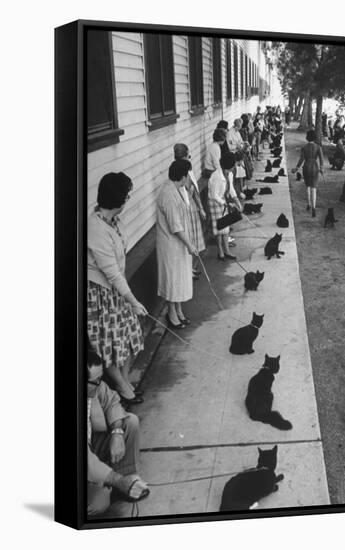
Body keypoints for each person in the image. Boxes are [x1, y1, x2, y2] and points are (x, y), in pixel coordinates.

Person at [88, 172, 147, 406]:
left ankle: (124, 382)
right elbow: (110, 272)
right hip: (102, 295)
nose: (129, 198)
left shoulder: (114, 221)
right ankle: (123, 387)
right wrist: (133, 300)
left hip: (117, 290)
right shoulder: (95, 229)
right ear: (118, 199)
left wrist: (127, 297)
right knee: (109, 344)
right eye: (127, 194)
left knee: (131, 337)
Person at [87, 349, 149, 519]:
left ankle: (125, 479)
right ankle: (117, 483)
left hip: (92, 444)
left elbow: (113, 401)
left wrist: (116, 432)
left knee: (130, 421)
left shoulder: (95, 386)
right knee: (98, 504)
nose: (100, 384)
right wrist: (116, 480)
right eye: (96, 381)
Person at [156, 159, 198, 329]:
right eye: (188, 174)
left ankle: (179, 311)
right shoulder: (168, 194)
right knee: (172, 280)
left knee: (180, 279)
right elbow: (175, 226)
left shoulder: (177, 189)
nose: (189, 177)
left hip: (178, 244)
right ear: (182, 176)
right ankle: (171, 315)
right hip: (171, 245)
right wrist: (190, 245)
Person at [174, 143, 206, 280]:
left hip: (192, 208)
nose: (189, 158)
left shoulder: (190, 170)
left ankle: (192, 267)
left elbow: (195, 193)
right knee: (188, 240)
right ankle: (188, 270)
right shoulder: (176, 173)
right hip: (184, 211)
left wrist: (201, 208)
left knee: (196, 241)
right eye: (188, 156)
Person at [208, 152, 242, 261]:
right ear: (228, 165)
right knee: (219, 227)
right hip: (215, 202)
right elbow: (214, 195)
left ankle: (226, 250)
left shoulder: (229, 174)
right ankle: (220, 251)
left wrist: (236, 201)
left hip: (222, 200)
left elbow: (230, 188)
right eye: (233, 165)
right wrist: (226, 204)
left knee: (226, 227)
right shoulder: (216, 176)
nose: (234, 167)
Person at [292, 129, 324, 218]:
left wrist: (297, 168)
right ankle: (314, 207)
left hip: (306, 167)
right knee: (314, 188)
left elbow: (301, 159)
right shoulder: (318, 147)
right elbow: (321, 159)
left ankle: (309, 204)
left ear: (307, 137)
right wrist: (321, 168)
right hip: (314, 167)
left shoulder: (305, 147)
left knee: (308, 186)